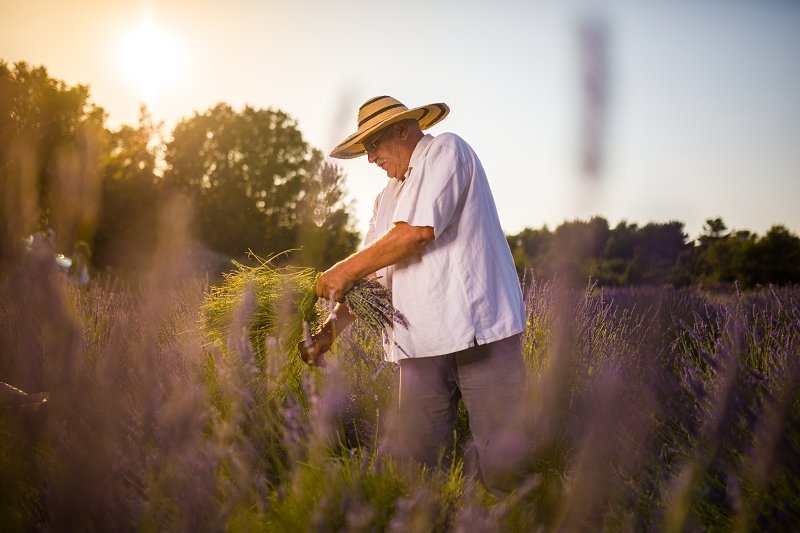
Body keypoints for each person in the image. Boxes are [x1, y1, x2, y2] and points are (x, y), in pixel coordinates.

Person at [302, 96, 528, 495]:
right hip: (419, 348)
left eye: (373, 145)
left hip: (481, 334)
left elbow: (418, 233)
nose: (370, 158)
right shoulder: (385, 197)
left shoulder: (447, 151)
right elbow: (370, 277)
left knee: (502, 466)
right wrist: (328, 333)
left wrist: (343, 268)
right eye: (364, 150)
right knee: (420, 474)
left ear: (402, 130)